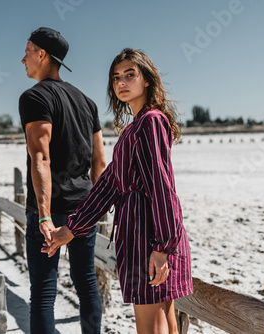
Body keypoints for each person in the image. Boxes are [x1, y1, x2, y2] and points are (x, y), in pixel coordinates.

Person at [45, 48, 193, 334]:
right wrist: (72, 228)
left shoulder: (151, 121)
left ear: (147, 80)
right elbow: (108, 186)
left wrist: (162, 248)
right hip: (140, 237)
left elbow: (162, 186)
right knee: (164, 323)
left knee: (154, 327)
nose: (122, 83)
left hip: (151, 237)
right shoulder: (132, 130)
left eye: (129, 75)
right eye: (116, 78)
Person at [18, 27, 106, 334]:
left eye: (27, 52)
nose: (23, 59)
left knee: (43, 292)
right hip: (84, 208)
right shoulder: (87, 102)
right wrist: (97, 209)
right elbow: (99, 163)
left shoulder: (34, 97)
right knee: (86, 284)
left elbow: (40, 158)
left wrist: (43, 215)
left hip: (52, 211)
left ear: (42, 55)